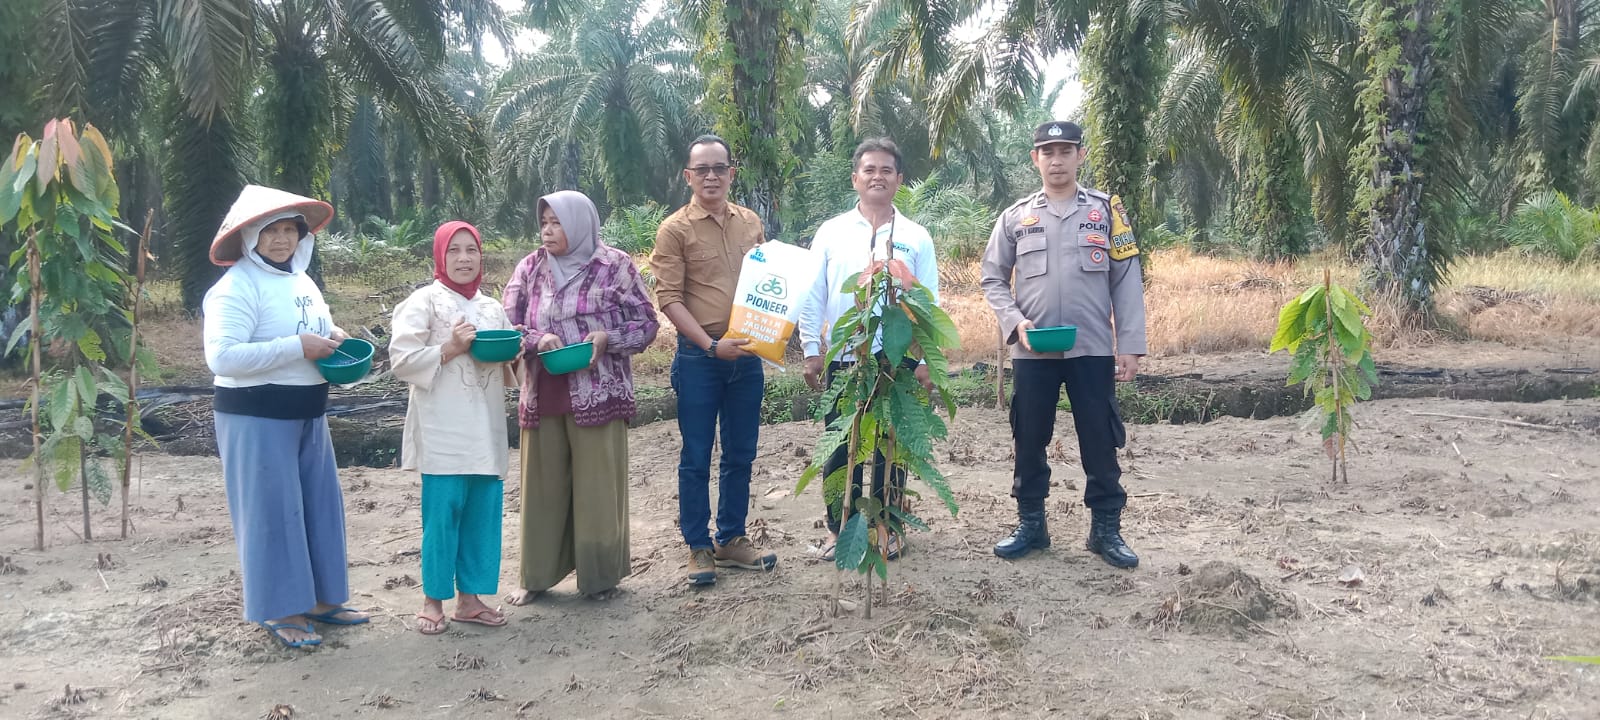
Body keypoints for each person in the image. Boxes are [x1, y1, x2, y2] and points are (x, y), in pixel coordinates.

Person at [202, 185, 370, 649]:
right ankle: (281, 609)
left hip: (308, 413)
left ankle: (320, 600)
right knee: (273, 515)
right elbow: (223, 357)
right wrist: (297, 348)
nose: (281, 240)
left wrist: (332, 335)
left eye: (289, 230)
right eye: (271, 231)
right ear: (251, 236)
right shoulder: (234, 289)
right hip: (256, 417)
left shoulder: (302, 282)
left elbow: (314, 327)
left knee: (318, 508)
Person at [979, 121, 1147, 568]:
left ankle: (1105, 531)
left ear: (1080, 155)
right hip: (1032, 350)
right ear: (1035, 159)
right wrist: (1015, 324)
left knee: (1099, 436)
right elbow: (991, 278)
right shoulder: (1015, 216)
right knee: (1029, 435)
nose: (1056, 160)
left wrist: (1129, 345)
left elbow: (1127, 280)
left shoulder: (1106, 211)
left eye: (1065, 151)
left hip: (1091, 348)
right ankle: (1032, 525)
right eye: (1047, 152)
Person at [501, 191, 659, 603]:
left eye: (558, 222)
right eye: (545, 222)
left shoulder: (616, 266)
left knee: (597, 487)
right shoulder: (530, 268)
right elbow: (505, 324)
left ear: (581, 225)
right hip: (544, 388)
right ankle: (536, 578)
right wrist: (538, 338)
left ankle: (599, 577)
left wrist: (608, 339)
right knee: (542, 487)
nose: (549, 230)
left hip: (599, 388)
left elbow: (646, 323)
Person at [798, 137, 939, 561]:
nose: (877, 177)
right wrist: (811, 348)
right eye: (869, 169)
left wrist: (923, 359)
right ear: (855, 178)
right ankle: (838, 529)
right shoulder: (832, 232)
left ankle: (886, 528)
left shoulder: (915, 237)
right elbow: (813, 294)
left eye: (886, 170)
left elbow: (928, 300)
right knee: (840, 445)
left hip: (895, 359)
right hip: (845, 356)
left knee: (889, 444)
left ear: (899, 179)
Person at [650, 134, 779, 586]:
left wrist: (774, 335)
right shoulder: (675, 230)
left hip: (746, 357)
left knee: (741, 452)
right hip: (700, 358)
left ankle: (731, 538)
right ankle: (699, 547)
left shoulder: (750, 223)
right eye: (701, 169)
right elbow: (668, 299)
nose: (711, 176)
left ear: (731, 173)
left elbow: (767, 285)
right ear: (688, 176)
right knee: (697, 454)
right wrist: (708, 345)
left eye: (718, 168)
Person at [390, 221, 518, 634]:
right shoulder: (423, 302)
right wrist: (451, 347)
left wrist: (511, 354)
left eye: (472, 250)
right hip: (441, 428)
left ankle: (471, 600)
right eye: (455, 251)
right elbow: (401, 360)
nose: (464, 259)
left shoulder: (491, 307)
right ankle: (433, 601)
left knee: (483, 513)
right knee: (442, 515)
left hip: (485, 427)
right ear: (440, 257)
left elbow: (505, 365)